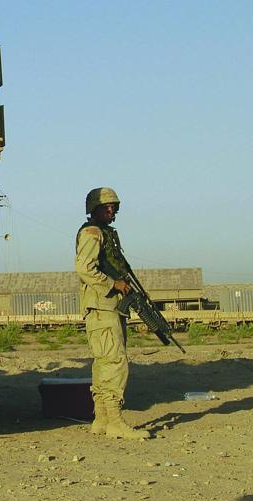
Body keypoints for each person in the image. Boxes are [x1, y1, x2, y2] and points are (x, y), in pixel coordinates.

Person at [75, 187, 151, 440]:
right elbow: (85, 268)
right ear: (93, 209)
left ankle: (102, 419)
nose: (112, 210)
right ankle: (115, 422)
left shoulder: (104, 233)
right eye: (106, 206)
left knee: (105, 362)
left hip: (105, 308)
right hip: (101, 306)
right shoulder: (92, 232)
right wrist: (112, 284)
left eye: (114, 207)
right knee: (115, 361)